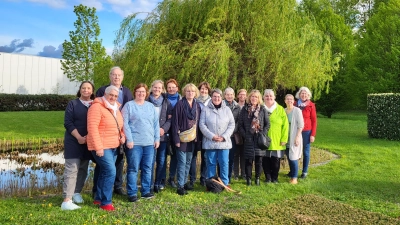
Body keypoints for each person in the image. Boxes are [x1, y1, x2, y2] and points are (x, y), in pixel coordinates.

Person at [94, 66, 133, 196]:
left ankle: (117, 186)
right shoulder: (102, 90)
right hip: (105, 132)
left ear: (122, 77)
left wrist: (124, 133)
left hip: (120, 131)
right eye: (114, 75)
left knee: (120, 160)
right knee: (103, 164)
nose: (116, 77)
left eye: (119, 75)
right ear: (110, 76)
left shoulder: (127, 92)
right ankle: (97, 190)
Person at [87, 85, 125, 211]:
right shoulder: (96, 107)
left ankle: (98, 198)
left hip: (114, 145)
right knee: (110, 171)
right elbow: (92, 129)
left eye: (115, 96)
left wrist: (123, 136)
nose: (113, 97)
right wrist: (98, 148)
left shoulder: (116, 108)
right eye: (111, 95)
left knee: (104, 172)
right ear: (105, 94)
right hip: (102, 146)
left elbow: (119, 126)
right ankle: (106, 202)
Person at [122, 83, 160, 202]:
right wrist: (129, 139)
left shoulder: (150, 107)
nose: (141, 93)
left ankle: (145, 191)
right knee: (133, 168)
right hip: (135, 144)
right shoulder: (129, 106)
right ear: (135, 92)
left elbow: (155, 124)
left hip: (149, 143)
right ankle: (132, 193)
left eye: (143, 92)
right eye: (138, 91)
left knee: (148, 168)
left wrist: (157, 138)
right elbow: (125, 124)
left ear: (146, 93)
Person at [61, 81, 95, 210]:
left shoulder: (95, 104)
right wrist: (79, 137)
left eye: (88, 88)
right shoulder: (73, 104)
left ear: (92, 91)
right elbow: (68, 123)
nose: (86, 90)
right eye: (83, 88)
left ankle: (76, 193)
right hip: (74, 141)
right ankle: (67, 200)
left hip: (88, 143)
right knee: (72, 169)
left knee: (83, 169)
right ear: (80, 90)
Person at [199, 89, 235, 186]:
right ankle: (211, 184)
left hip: (224, 143)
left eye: (218, 96)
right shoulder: (206, 110)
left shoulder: (227, 110)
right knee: (211, 163)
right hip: (211, 142)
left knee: (224, 163)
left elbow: (231, 124)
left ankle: (224, 183)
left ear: (221, 97)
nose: (216, 98)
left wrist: (224, 136)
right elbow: (202, 125)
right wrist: (212, 136)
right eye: (214, 96)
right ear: (211, 97)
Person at [171, 83, 201, 195]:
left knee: (188, 161)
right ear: (185, 92)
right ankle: (180, 186)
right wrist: (176, 140)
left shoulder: (197, 106)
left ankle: (184, 183)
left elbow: (198, 123)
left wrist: (198, 139)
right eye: (188, 91)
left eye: (192, 91)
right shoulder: (179, 105)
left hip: (192, 139)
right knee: (182, 162)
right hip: (182, 138)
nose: (190, 93)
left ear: (195, 93)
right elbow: (175, 123)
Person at [238, 90, 270, 186]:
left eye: (256, 97)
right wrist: (245, 135)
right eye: (252, 96)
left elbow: (267, 124)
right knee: (248, 160)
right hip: (248, 139)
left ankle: (257, 178)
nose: (254, 98)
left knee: (259, 160)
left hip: (259, 139)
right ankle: (248, 179)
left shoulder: (263, 109)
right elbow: (240, 125)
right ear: (249, 98)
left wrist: (262, 134)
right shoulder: (244, 109)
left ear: (259, 98)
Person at [146, 80, 173, 193]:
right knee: (150, 161)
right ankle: (150, 183)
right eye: (155, 87)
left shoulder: (166, 103)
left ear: (162, 90)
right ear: (152, 88)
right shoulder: (146, 101)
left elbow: (170, 119)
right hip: (149, 136)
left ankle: (159, 182)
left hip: (162, 136)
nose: (157, 90)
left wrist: (163, 129)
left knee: (161, 160)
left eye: (159, 88)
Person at [262, 89, 289, 183]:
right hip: (263, 139)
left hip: (277, 139)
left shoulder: (280, 109)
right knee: (265, 160)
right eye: (266, 96)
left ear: (274, 97)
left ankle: (275, 178)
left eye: (270, 96)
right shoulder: (261, 108)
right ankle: (268, 178)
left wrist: (284, 138)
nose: (269, 97)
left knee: (275, 160)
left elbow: (285, 125)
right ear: (263, 97)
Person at [190, 81, 211, 186]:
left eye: (206, 89)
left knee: (205, 156)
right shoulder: (194, 101)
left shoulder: (211, 101)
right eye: (202, 89)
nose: (203, 91)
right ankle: (192, 178)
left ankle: (203, 178)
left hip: (206, 133)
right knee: (193, 155)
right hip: (195, 132)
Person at [294, 86, 317, 179]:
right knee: (294, 151)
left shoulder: (311, 105)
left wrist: (313, 134)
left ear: (308, 95)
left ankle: (304, 171)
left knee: (306, 152)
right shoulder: (295, 104)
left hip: (306, 131)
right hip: (295, 131)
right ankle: (294, 170)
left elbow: (314, 120)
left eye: (305, 94)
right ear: (299, 94)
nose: (303, 95)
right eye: (302, 93)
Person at [284, 94, 304, 184]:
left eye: (291, 99)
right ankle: (291, 173)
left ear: (293, 101)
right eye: (287, 99)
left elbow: (301, 125)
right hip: (286, 138)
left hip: (294, 137)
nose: (289, 101)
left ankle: (294, 178)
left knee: (293, 157)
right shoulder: (284, 111)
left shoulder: (297, 111)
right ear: (285, 101)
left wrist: (297, 137)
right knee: (289, 156)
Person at [166, 79, 182, 188]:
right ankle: (160, 179)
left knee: (176, 156)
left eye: (173, 87)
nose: (171, 89)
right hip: (165, 131)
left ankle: (171, 178)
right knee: (162, 157)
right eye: (169, 87)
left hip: (177, 131)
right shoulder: (163, 99)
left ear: (177, 88)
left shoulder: (181, 99)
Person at [223, 87, 241, 183]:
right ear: (224, 95)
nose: (229, 96)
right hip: (222, 136)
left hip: (233, 136)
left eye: (231, 94)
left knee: (230, 158)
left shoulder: (237, 107)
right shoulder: (220, 105)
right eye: (227, 94)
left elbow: (238, 121)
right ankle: (221, 177)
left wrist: (231, 131)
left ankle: (228, 178)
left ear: (234, 95)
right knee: (222, 159)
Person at [233, 89, 247, 180]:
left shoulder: (248, 106)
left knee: (244, 154)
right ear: (238, 96)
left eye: (244, 94)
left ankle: (244, 173)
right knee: (236, 154)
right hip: (236, 133)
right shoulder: (235, 106)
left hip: (246, 134)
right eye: (240, 94)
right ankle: (236, 174)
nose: (242, 96)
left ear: (246, 96)